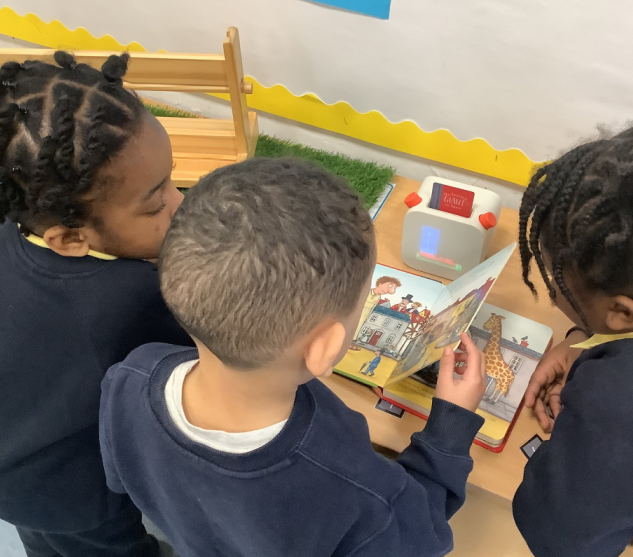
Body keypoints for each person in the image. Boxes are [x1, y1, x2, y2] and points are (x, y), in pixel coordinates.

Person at [99, 158, 489, 557]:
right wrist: (450, 428)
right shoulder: (346, 480)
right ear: (324, 349)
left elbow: (121, 478)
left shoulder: (129, 376)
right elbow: (421, 532)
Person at [0, 52, 193, 557]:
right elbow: (201, 358)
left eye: (172, 180)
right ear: (70, 239)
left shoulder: (2, 238)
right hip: (65, 488)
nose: (181, 203)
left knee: (47, 541)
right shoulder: (129, 297)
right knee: (103, 547)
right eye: (156, 202)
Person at [513, 93, 633, 557]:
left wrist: (591, 410)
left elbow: (562, 539)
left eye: (555, 281)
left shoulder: (630, 400)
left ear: (621, 313)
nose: (551, 291)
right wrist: (585, 338)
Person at [350, 275, 400, 350]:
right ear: (380, 284)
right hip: (357, 310)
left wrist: (367, 316)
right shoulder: (366, 291)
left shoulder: (378, 297)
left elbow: (372, 307)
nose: (390, 290)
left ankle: (350, 341)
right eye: (390, 285)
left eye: (394, 287)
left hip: (365, 313)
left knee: (358, 325)